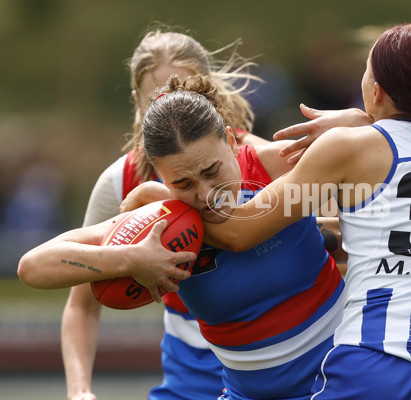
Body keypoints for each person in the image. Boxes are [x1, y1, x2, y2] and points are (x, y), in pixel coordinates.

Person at [160, 23, 411, 399]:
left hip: (377, 359)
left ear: (375, 89)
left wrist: (159, 200)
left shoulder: (346, 147)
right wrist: (364, 121)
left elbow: (238, 231)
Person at [18, 72, 347, 399]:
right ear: (161, 176)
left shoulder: (284, 164)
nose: (205, 194)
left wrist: (356, 121)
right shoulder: (162, 219)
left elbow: (384, 151)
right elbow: (32, 266)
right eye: (184, 184)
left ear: (232, 142)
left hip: (340, 377)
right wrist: (131, 258)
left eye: (211, 171)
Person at [60, 27, 268, 400]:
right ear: (138, 102)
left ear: (211, 91)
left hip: (276, 367)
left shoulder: (266, 162)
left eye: (186, 92)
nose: (173, 107)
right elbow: (81, 304)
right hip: (190, 378)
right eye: (158, 97)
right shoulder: (122, 180)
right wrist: (80, 391)